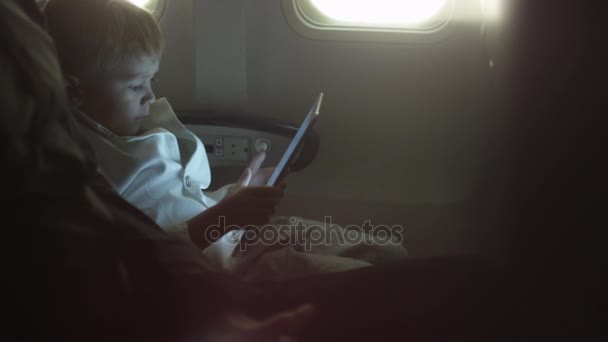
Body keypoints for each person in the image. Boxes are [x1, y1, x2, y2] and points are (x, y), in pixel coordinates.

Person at [43, 0, 406, 279]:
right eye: (136, 85)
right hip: (222, 268)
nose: (150, 97)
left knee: (387, 251)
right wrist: (224, 216)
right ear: (75, 92)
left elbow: (182, 199)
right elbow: (138, 259)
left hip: (235, 233)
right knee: (368, 281)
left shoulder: (135, 130)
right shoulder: (82, 169)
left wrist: (233, 194)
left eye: (151, 80)